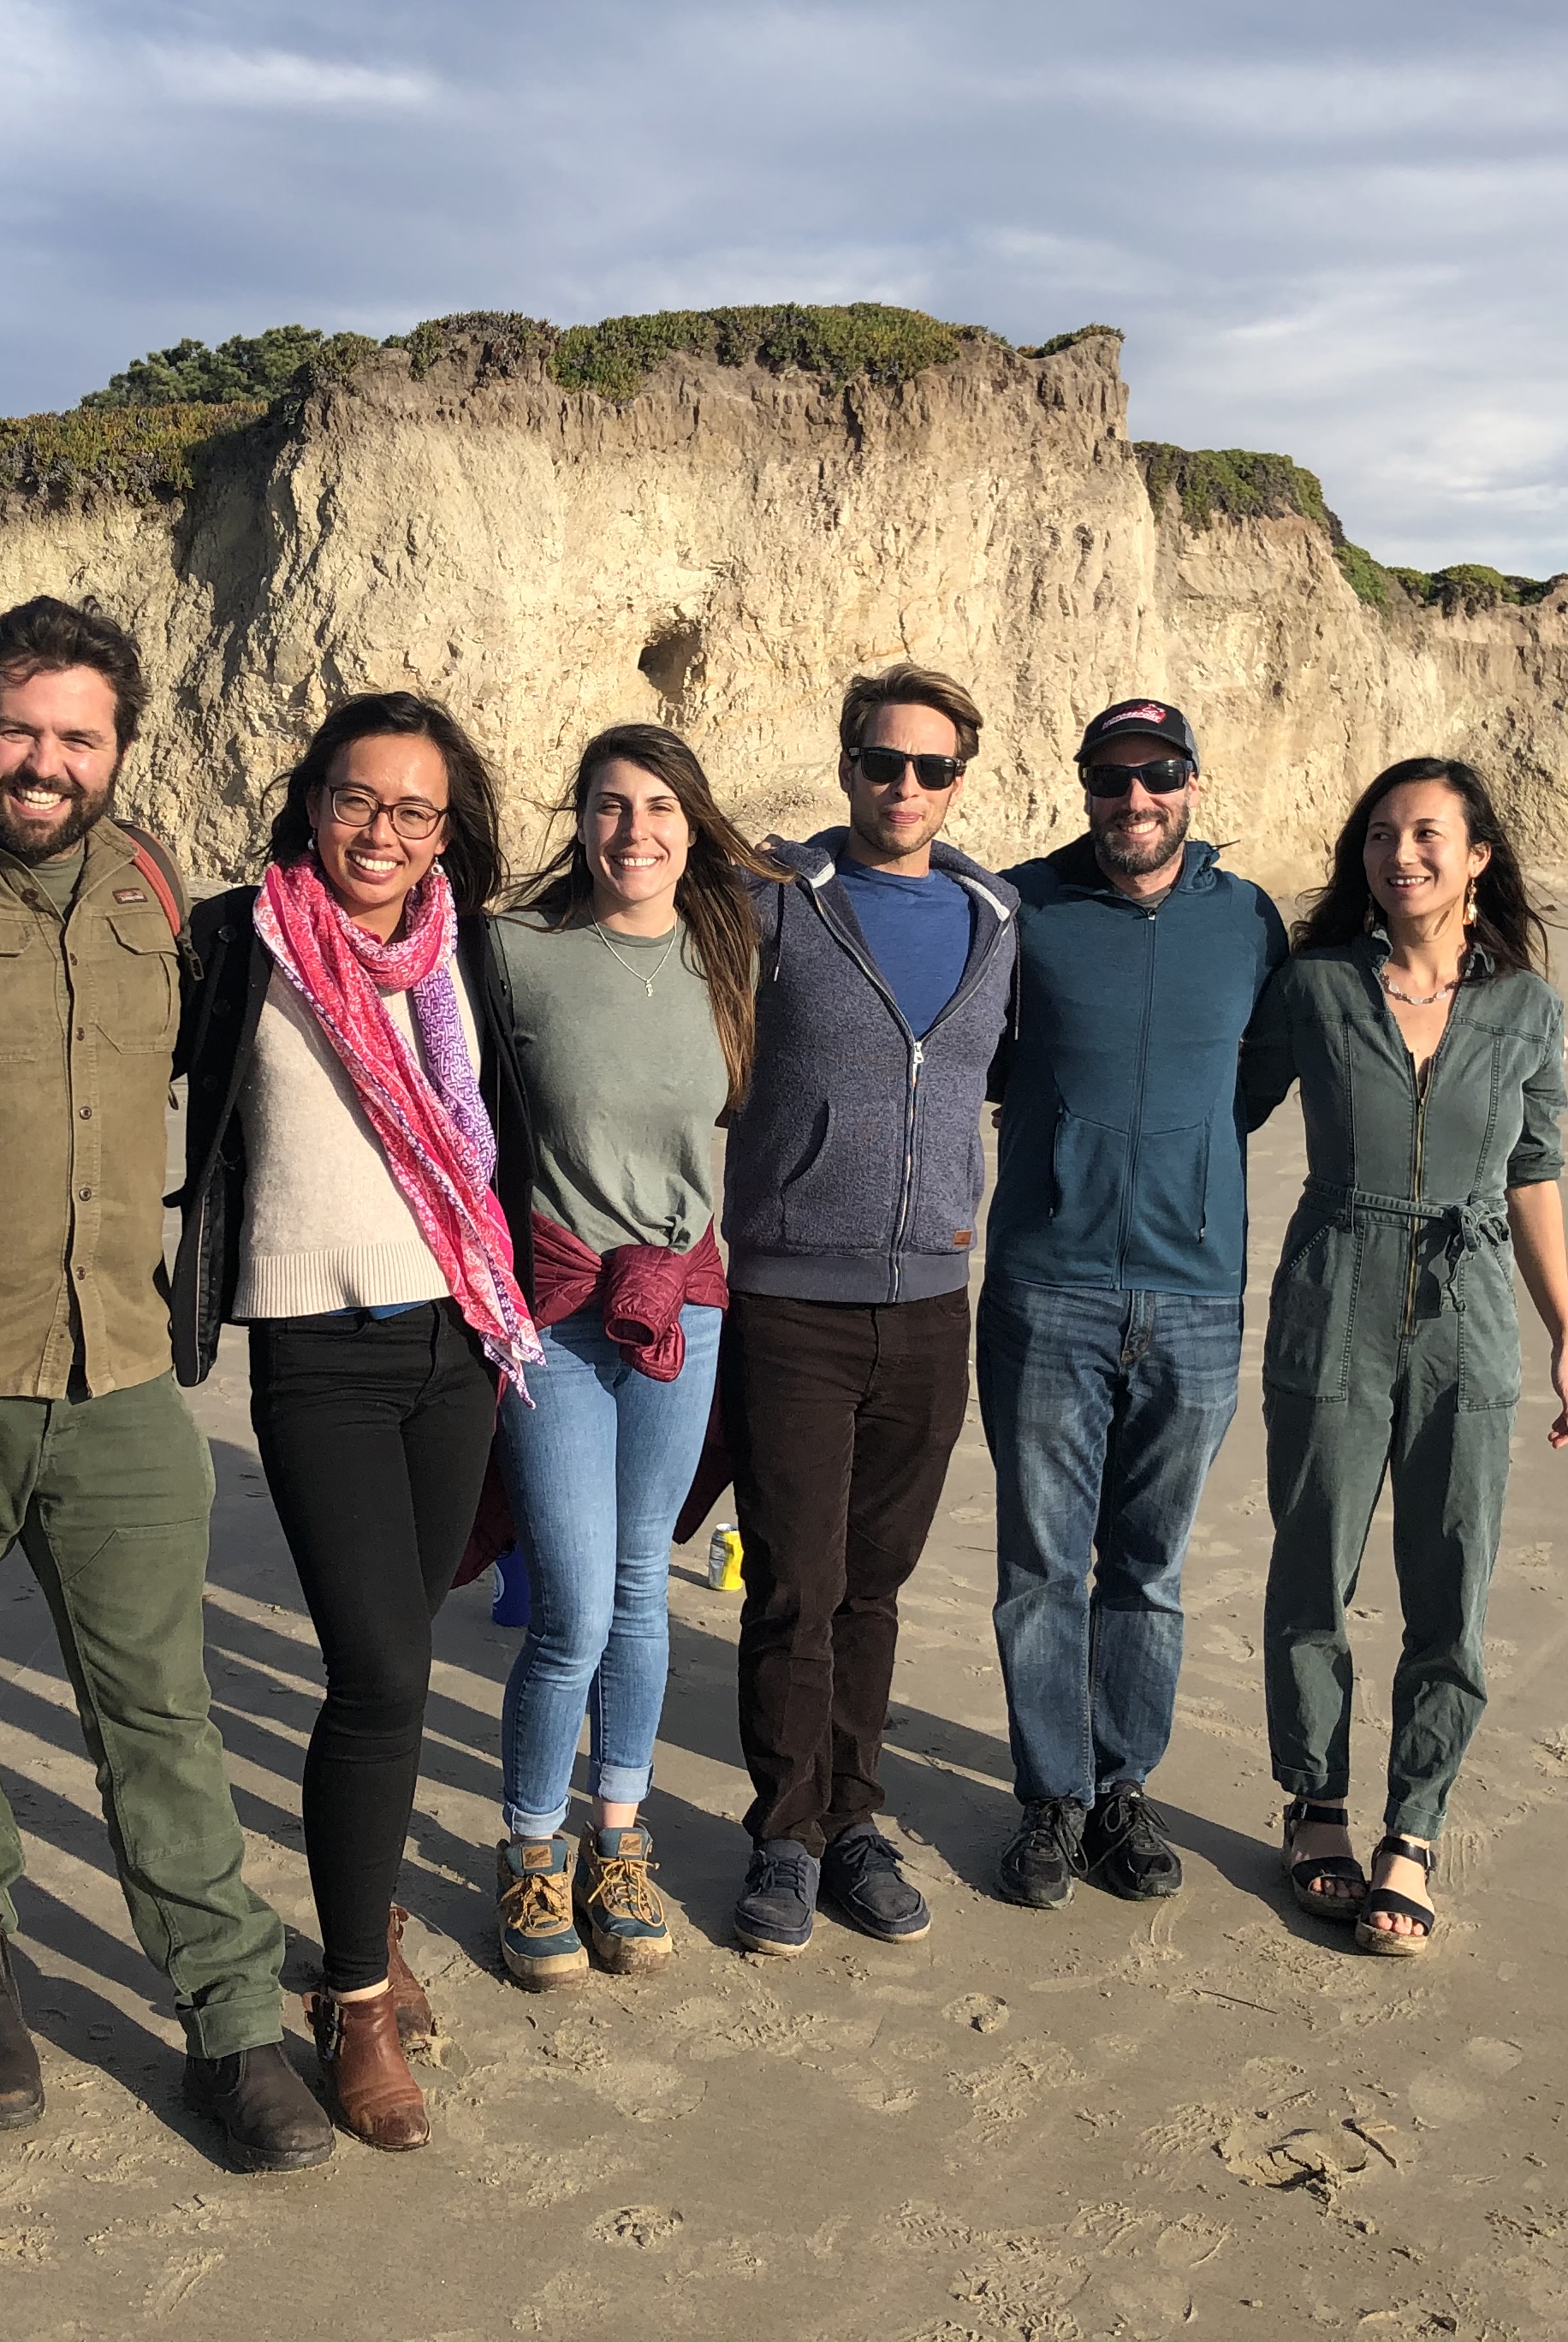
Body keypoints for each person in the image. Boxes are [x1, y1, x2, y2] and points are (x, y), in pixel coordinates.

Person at [0, 597, 326, 2173]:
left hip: (121, 1372)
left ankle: (231, 2021)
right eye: (19, 729)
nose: (45, 762)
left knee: (160, 1710)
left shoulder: (156, 889)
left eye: (77, 736)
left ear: (119, 748)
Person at [171, 691, 533, 2150]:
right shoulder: (232, 939)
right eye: (355, 800)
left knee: (407, 1652)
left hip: (454, 1340)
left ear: (449, 829)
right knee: (378, 1671)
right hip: (313, 1353)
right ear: (310, 802)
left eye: (414, 810)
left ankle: (356, 1887)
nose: (381, 833)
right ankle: (356, 1995)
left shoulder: (470, 952)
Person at [1247, 757, 1568, 1954]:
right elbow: (1216, 1106)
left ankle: (1416, 1826)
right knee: (1316, 1570)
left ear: (1478, 857)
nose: (1403, 855)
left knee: (1453, 1580)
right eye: (1383, 837)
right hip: (1332, 1284)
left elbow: (1533, 1173)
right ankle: (1317, 1806)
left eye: (1429, 836)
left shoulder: (1528, 1011)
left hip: (1469, 1310)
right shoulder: (1313, 988)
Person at [717, 663, 1020, 1956]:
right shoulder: (776, 901)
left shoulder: (998, 919)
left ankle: (853, 1820)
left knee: (877, 1587)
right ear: (844, 767)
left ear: (961, 779)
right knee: (795, 1581)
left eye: (932, 768)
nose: (905, 788)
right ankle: (783, 1834)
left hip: (934, 1299)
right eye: (882, 763)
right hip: (791, 1299)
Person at [478, 724, 777, 1988]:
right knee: (571, 1602)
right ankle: (531, 1852)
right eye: (609, 807)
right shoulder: (520, 952)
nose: (634, 831)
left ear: (694, 824)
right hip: (553, 1310)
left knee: (645, 1587)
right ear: (580, 820)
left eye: (659, 807)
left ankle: (619, 1837)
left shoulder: (731, 951)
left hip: (687, 1305)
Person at [982, 698, 1289, 1908]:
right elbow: (985, 1058)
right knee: (1043, 1566)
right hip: (1046, 1287)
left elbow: (1260, 1072)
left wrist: (1187, 1165)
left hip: (1197, 1292)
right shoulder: (1023, 908)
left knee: (1148, 1568)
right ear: (1084, 790)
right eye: (1111, 779)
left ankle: (1124, 1790)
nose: (1135, 799)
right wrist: (1072, 1152)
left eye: (1158, 775)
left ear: (1194, 786)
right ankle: (1052, 1798)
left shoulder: (1249, 921)